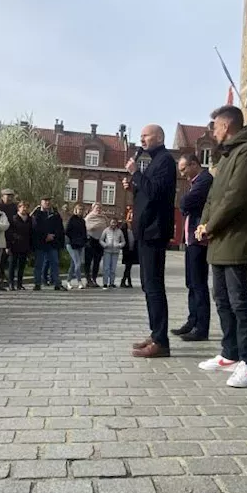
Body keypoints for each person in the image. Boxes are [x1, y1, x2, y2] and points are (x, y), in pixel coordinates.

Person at [193, 106, 247, 387]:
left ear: (226, 126)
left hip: (237, 237)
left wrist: (211, 226)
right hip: (219, 238)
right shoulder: (227, 156)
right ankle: (229, 353)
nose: (213, 132)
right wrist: (204, 223)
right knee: (222, 298)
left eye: (215, 127)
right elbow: (213, 197)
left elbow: (237, 196)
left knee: (239, 300)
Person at [127, 124, 177, 359]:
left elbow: (157, 193)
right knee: (148, 286)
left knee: (155, 286)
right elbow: (147, 194)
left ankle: (161, 341)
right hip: (145, 232)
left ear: (158, 137)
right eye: (141, 136)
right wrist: (134, 185)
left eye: (145, 135)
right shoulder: (154, 162)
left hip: (155, 232)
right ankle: (155, 333)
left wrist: (136, 173)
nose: (142, 139)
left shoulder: (165, 160)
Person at [173, 154, 212, 342]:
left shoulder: (204, 180)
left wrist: (184, 202)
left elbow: (185, 202)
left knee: (199, 284)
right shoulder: (195, 182)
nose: (182, 174)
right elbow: (185, 203)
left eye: (184, 169)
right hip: (190, 239)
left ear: (194, 164)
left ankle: (201, 328)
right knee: (191, 283)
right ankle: (192, 320)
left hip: (199, 240)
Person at [32, 197, 65, 291]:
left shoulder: (55, 214)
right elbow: (35, 228)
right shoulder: (37, 214)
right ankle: (37, 283)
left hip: (52, 243)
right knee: (39, 264)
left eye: (48, 201)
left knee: (55, 263)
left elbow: (60, 228)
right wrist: (45, 236)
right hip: (40, 243)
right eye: (45, 201)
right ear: (41, 202)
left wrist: (53, 236)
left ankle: (57, 283)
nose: (47, 203)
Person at [6, 201, 34, 290]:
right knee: (12, 265)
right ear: (19, 208)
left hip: (25, 245)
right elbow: (9, 232)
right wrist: (8, 245)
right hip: (14, 244)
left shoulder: (29, 219)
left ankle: (19, 283)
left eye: (26, 207)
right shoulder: (14, 218)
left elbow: (31, 232)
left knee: (21, 265)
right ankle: (11, 283)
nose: (24, 209)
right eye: (23, 207)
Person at [0, 189, 20, 290]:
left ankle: (8, 281)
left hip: (11, 235)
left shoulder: (15, 207)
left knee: (9, 260)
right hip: (0, 234)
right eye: (7, 195)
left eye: (11, 196)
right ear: (2, 196)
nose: (9, 197)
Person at [83, 202, 109, 288]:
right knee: (88, 261)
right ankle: (88, 279)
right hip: (90, 240)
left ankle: (94, 279)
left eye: (100, 208)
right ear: (93, 208)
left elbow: (107, 226)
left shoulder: (104, 217)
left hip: (100, 241)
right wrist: (94, 226)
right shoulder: (89, 217)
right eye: (96, 208)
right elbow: (86, 227)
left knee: (97, 261)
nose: (98, 210)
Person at [65, 203, 88, 289]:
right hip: (71, 244)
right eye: (79, 209)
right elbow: (67, 231)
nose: (81, 211)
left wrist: (84, 241)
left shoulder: (82, 221)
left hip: (80, 244)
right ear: (76, 210)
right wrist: (73, 239)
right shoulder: (72, 219)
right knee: (78, 263)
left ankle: (68, 281)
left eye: (82, 210)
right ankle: (79, 281)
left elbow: (84, 232)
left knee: (73, 264)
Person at [101, 218, 125, 288]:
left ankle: (112, 282)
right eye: (112, 222)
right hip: (107, 251)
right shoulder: (106, 230)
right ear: (110, 223)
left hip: (115, 252)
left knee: (113, 268)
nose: (113, 224)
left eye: (114, 223)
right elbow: (101, 240)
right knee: (106, 268)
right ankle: (105, 283)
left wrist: (119, 245)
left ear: (116, 223)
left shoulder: (119, 231)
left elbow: (123, 241)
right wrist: (105, 245)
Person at [121, 207, 137, 288]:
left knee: (129, 266)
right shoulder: (124, 225)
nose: (132, 216)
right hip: (126, 249)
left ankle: (126, 281)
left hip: (133, 249)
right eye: (130, 214)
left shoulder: (136, 225)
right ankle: (125, 281)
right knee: (128, 266)